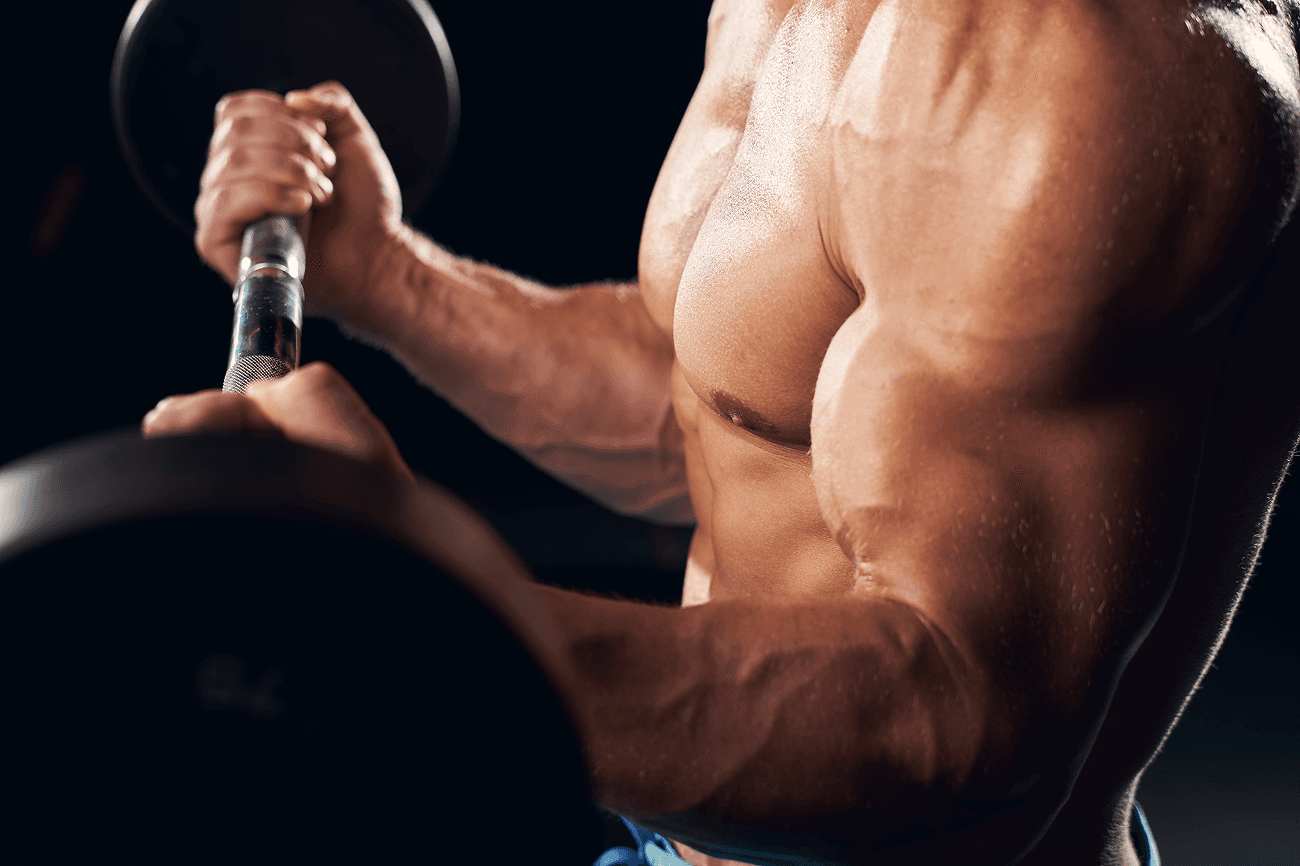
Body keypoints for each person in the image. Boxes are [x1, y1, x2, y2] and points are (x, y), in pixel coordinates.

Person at [141, 1, 1300, 863]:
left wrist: (420, 617)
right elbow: (736, 409)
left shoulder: (1075, 65)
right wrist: (393, 280)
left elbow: (955, 718)